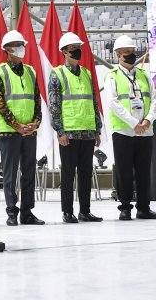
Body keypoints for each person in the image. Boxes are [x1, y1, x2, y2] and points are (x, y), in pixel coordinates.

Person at [103, 35, 156, 221]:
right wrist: (133, 123)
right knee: (124, 171)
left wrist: (147, 120)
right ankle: (125, 207)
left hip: (145, 131)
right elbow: (113, 103)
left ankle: (144, 207)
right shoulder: (112, 76)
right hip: (124, 132)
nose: (131, 54)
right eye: (127, 52)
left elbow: (154, 100)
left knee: (144, 171)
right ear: (118, 54)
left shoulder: (144, 75)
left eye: (132, 51)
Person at [0, 30, 45, 226]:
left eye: (22, 44)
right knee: (10, 173)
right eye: (17, 44)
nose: (21, 48)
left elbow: (37, 99)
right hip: (9, 131)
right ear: (7, 49)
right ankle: (11, 211)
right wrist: (17, 126)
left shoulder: (31, 71)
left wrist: (35, 123)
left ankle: (27, 212)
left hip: (29, 130)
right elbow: (0, 103)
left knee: (29, 171)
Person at [49, 31, 103, 223]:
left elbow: (94, 102)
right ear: (64, 52)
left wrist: (97, 129)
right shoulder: (57, 74)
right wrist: (60, 131)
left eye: (78, 48)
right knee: (68, 173)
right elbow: (54, 105)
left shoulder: (87, 73)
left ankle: (85, 211)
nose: (77, 51)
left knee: (86, 173)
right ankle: (67, 212)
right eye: (73, 49)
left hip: (87, 131)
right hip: (69, 133)